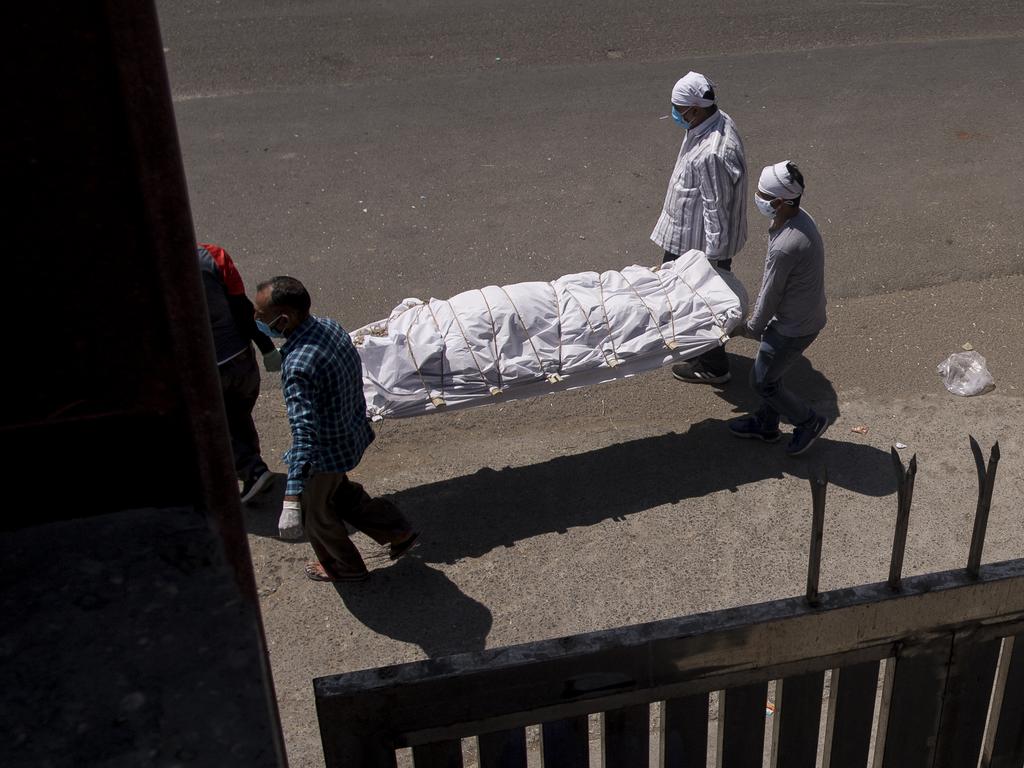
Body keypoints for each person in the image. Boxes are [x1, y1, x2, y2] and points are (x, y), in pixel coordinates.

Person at [253, 276, 418, 582]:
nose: (256, 321)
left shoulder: (298, 366)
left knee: (317, 514)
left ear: (284, 319)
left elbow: (303, 433)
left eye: (261, 316)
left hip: (324, 452)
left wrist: (291, 498)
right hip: (350, 434)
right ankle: (398, 531)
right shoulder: (330, 326)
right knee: (341, 494)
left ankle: (345, 566)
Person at [652, 71, 748, 385]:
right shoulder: (711, 123)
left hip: (698, 247)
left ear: (695, 109)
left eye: (679, 109)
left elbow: (717, 209)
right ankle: (697, 348)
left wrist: (713, 264)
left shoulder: (712, 153)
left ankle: (713, 365)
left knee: (702, 303)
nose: (676, 115)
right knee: (685, 299)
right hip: (688, 235)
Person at [728, 162, 829, 456]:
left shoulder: (786, 245)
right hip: (803, 315)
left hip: (793, 327)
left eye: (761, 195)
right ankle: (767, 424)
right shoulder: (798, 219)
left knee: (762, 382)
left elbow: (770, 293)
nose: (757, 199)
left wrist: (747, 329)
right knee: (773, 373)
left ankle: (808, 422)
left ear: (779, 202)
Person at [197, 243, 281, 502]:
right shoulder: (213, 255)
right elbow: (242, 308)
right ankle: (254, 477)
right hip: (241, 360)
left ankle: (252, 470)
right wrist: (266, 347)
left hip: (205, 370)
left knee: (209, 430)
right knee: (237, 418)